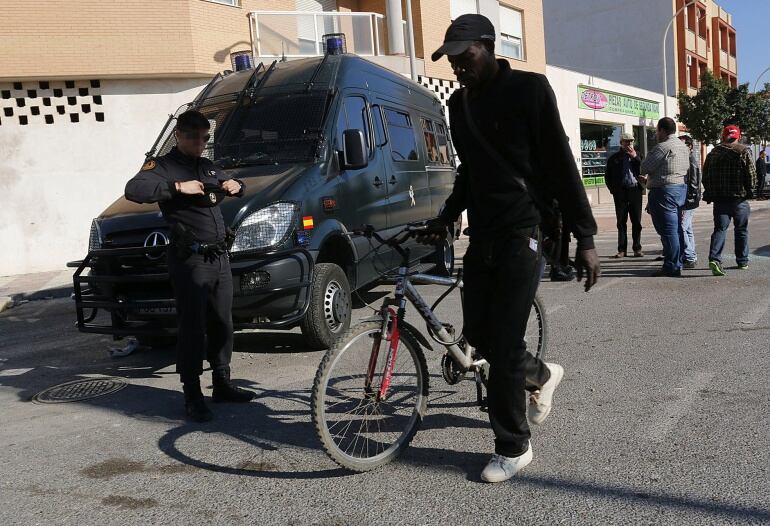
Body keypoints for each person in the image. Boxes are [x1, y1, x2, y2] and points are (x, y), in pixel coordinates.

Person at [419, 14, 600, 483]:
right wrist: (446, 217)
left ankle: (513, 447)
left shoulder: (530, 89)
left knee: (500, 346)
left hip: (525, 230)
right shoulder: (458, 105)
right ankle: (542, 375)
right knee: (478, 337)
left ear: (488, 45)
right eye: (452, 59)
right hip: (483, 234)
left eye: (466, 55)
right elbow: (470, 172)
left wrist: (585, 236)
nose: (458, 66)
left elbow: (560, 163)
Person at [125, 110, 255, 422]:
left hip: (218, 257)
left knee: (222, 323)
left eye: (205, 138)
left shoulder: (206, 166)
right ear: (179, 136)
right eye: (194, 137)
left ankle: (222, 383)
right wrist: (177, 188)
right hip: (191, 260)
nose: (200, 143)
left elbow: (228, 180)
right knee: (192, 328)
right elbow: (134, 189)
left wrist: (237, 184)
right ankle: (192, 393)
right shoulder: (163, 166)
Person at [702, 125, 757, 276]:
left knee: (720, 229)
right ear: (738, 136)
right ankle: (742, 261)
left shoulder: (713, 153)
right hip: (739, 199)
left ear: (723, 136)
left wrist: (711, 191)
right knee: (741, 230)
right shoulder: (743, 151)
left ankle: (715, 258)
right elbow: (751, 175)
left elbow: (705, 176)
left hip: (720, 200)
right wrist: (751, 191)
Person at [639, 118, 691, 277]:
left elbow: (645, 166)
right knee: (677, 229)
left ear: (662, 130)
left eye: (657, 131)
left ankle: (672, 266)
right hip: (680, 189)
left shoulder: (662, 147)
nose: (656, 134)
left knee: (668, 231)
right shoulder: (683, 147)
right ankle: (678, 261)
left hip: (664, 191)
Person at [605, 132, 644, 258]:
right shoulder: (614, 158)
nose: (629, 144)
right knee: (621, 221)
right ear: (621, 143)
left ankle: (637, 248)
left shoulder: (638, 156)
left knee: (636, 221)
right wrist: (613, 189)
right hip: (620, 192)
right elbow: (608, 176)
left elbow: (644, 170)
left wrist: (635, 158)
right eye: (626, 141)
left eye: (630, 141)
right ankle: (622, 249)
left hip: (635, 191)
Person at [679, 135, 701, 268]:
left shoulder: (690, 160)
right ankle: (691, 255)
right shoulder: (685, 159)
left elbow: (693, 182)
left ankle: (690, 257)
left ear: (690, 146)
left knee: (681, 227)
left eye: (682, 145)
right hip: (688, 199)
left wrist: (687, 201)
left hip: (689, 200)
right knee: (687, 229)